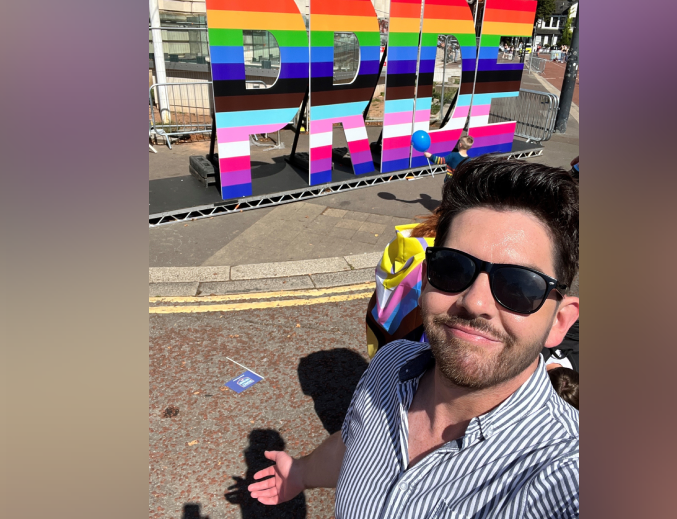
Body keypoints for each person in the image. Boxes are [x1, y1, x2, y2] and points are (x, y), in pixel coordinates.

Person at [248, 157, 580, 518]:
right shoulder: (392, 365)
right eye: (453, 268)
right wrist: (300, 472)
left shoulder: (566, 473)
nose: (474, 302)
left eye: (519, 286)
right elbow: (355, 442)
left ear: (560, 321)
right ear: (425, 278)